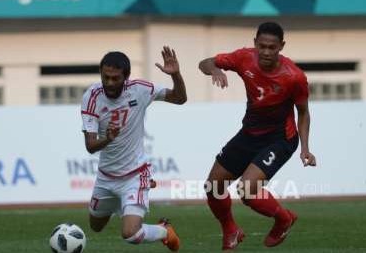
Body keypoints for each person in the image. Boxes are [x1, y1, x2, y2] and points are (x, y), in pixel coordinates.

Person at [198, 22, 317, 250]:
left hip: (280, 138)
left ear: (281, 46)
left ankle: (284, 218)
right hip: (249, 134)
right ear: (255, 43)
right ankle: (230, 230)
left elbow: (303, 112)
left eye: (272, 47)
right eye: (262, 46)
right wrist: (214, 69)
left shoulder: (294, 77)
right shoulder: (244, 57)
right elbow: (204, 63)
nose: (266, 52)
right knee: (213, 186)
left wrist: (305, 148)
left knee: (247, 190)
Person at [81, 46, 186, 251]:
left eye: (115, 78)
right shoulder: (91, 97)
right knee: (96, 227)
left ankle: (164, 230)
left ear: (126, 77)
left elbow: (180, 98)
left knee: (131, 234)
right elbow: (91, 146)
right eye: (106, 77)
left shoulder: (140, 89)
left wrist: (176, 76)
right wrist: (108, 139)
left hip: (135, 174)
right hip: (105, 177)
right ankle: (123, 206)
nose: (110, 83)